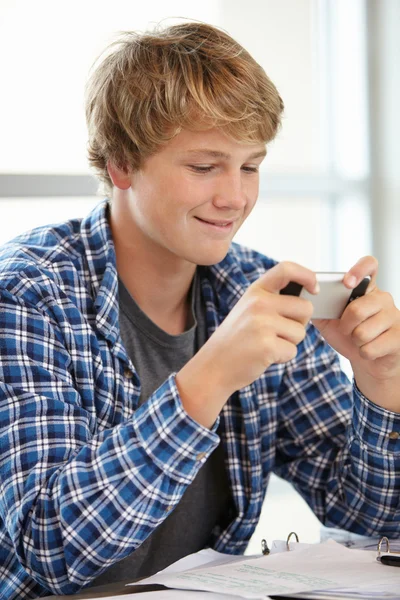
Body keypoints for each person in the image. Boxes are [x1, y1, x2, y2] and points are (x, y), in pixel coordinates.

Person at [0, 21, 399, 600]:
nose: (234, 197)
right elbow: (51, 548)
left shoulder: (250, 288)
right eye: (204, 167)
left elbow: (373, 521)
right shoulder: (29, 296)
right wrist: (210, 377)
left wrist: (382, 384)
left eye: (250, 166)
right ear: (120, 165)